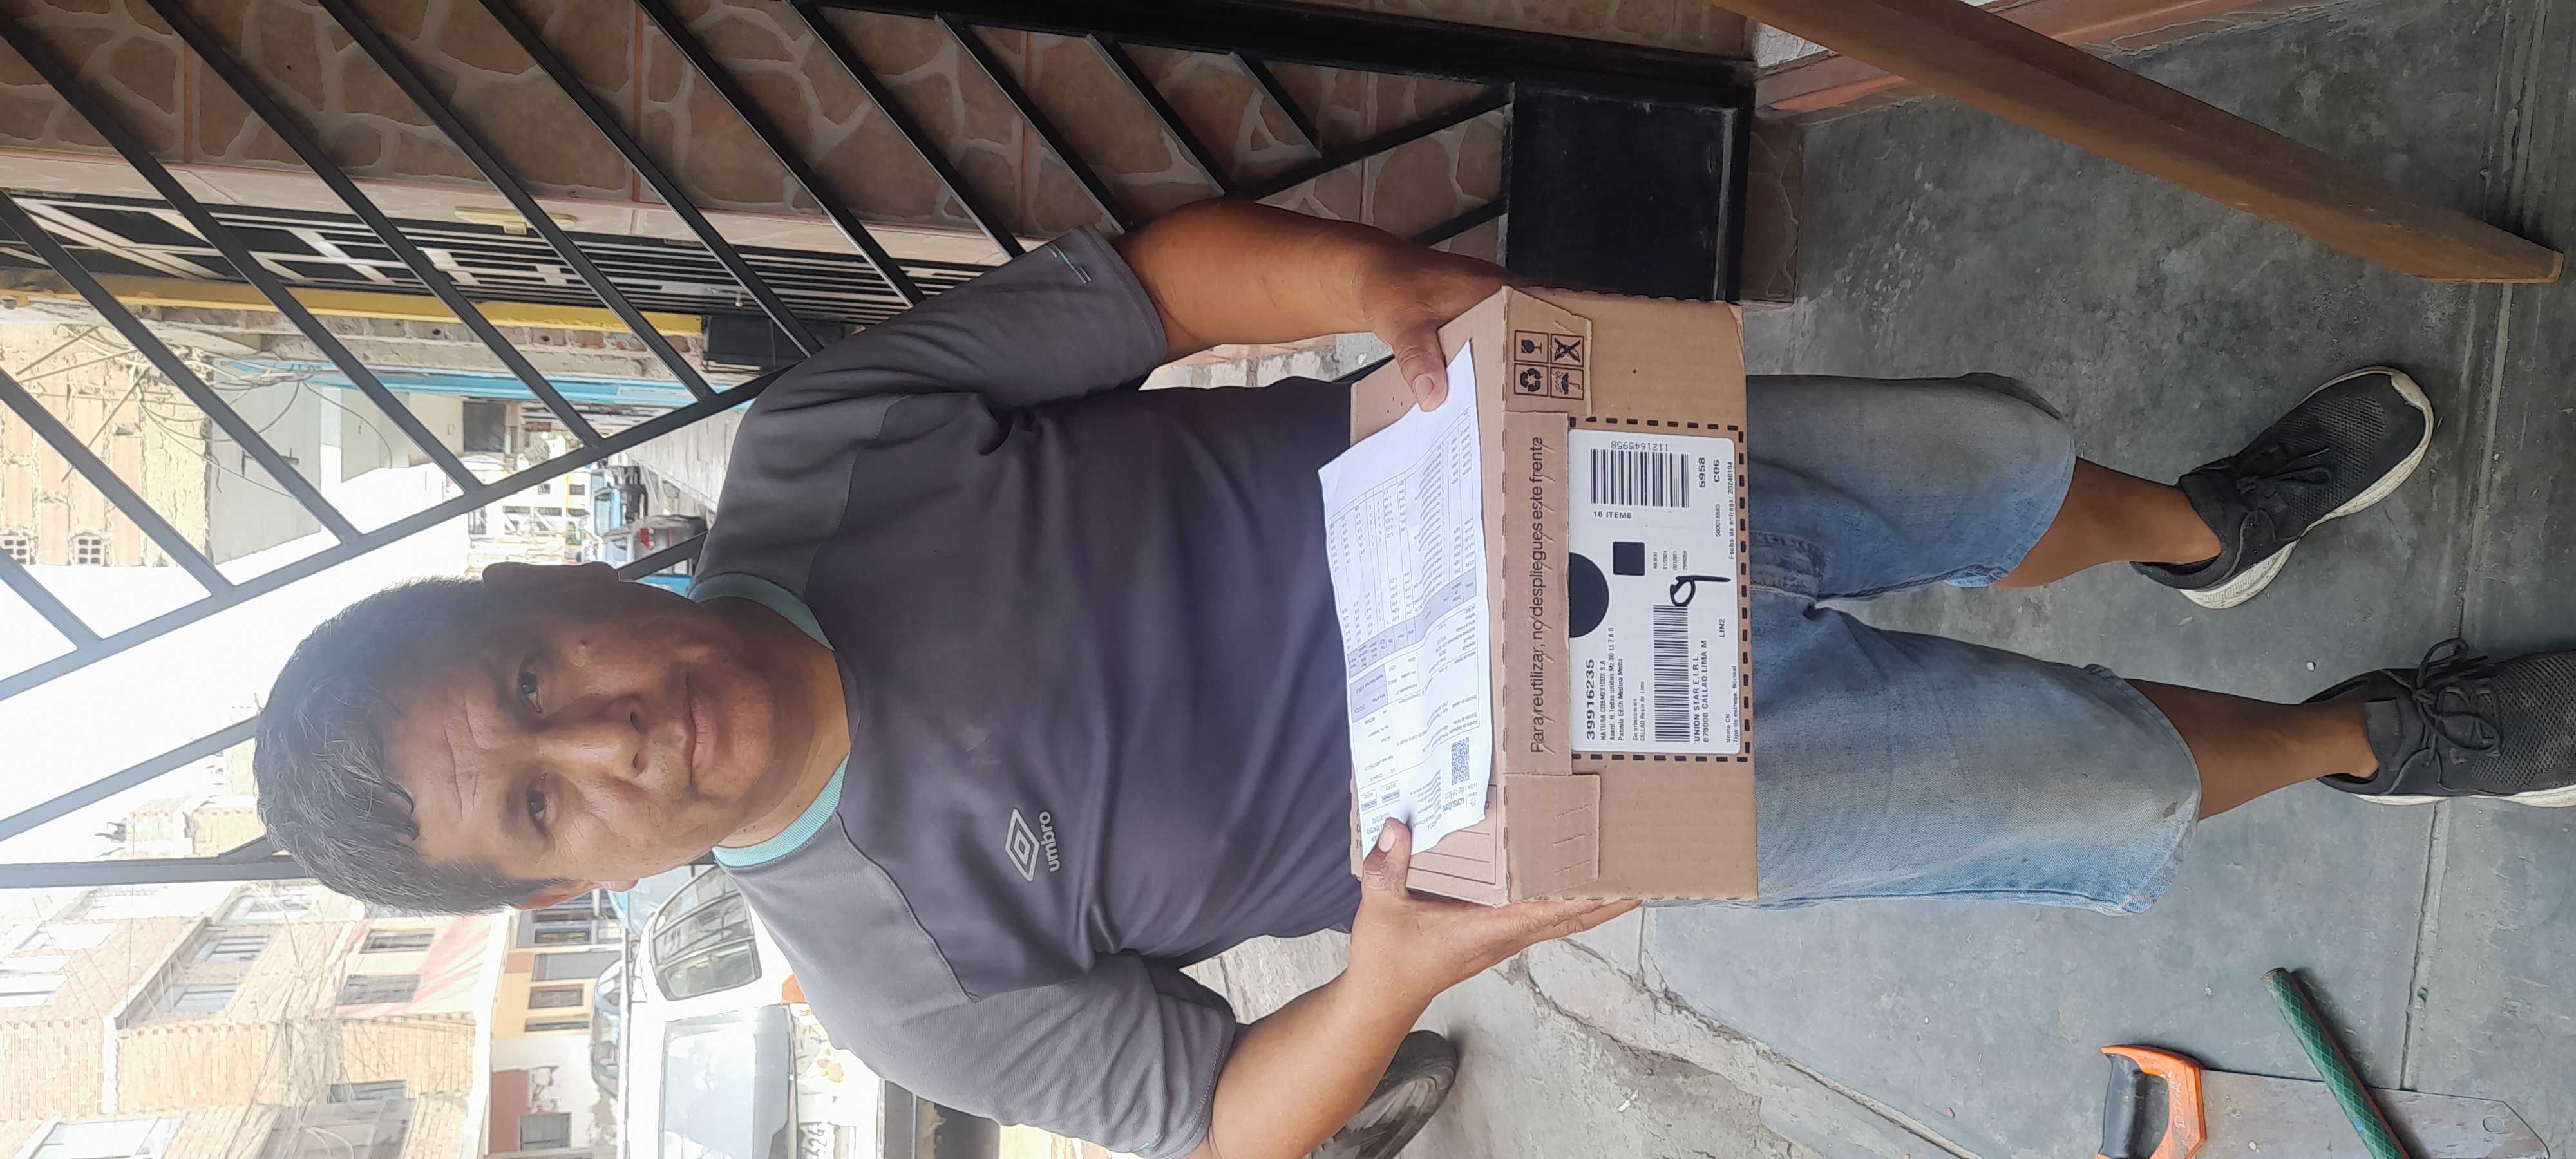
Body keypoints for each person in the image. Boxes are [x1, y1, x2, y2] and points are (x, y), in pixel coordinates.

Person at [252, 201, 2576, 1159]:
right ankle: (2376, 734)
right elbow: (1219, 1120)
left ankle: (2201, 531)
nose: (607, 736)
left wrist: (1374, 288)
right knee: (2067, 790)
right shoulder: (896, 987)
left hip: (1566, 482)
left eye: (533, 672)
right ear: (560, 892)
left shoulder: (826, 456)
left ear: (541, 581)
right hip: (1597, 797)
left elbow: (1152, 289)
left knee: (1975, 471)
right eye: (539, 803)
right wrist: (1382, 984)